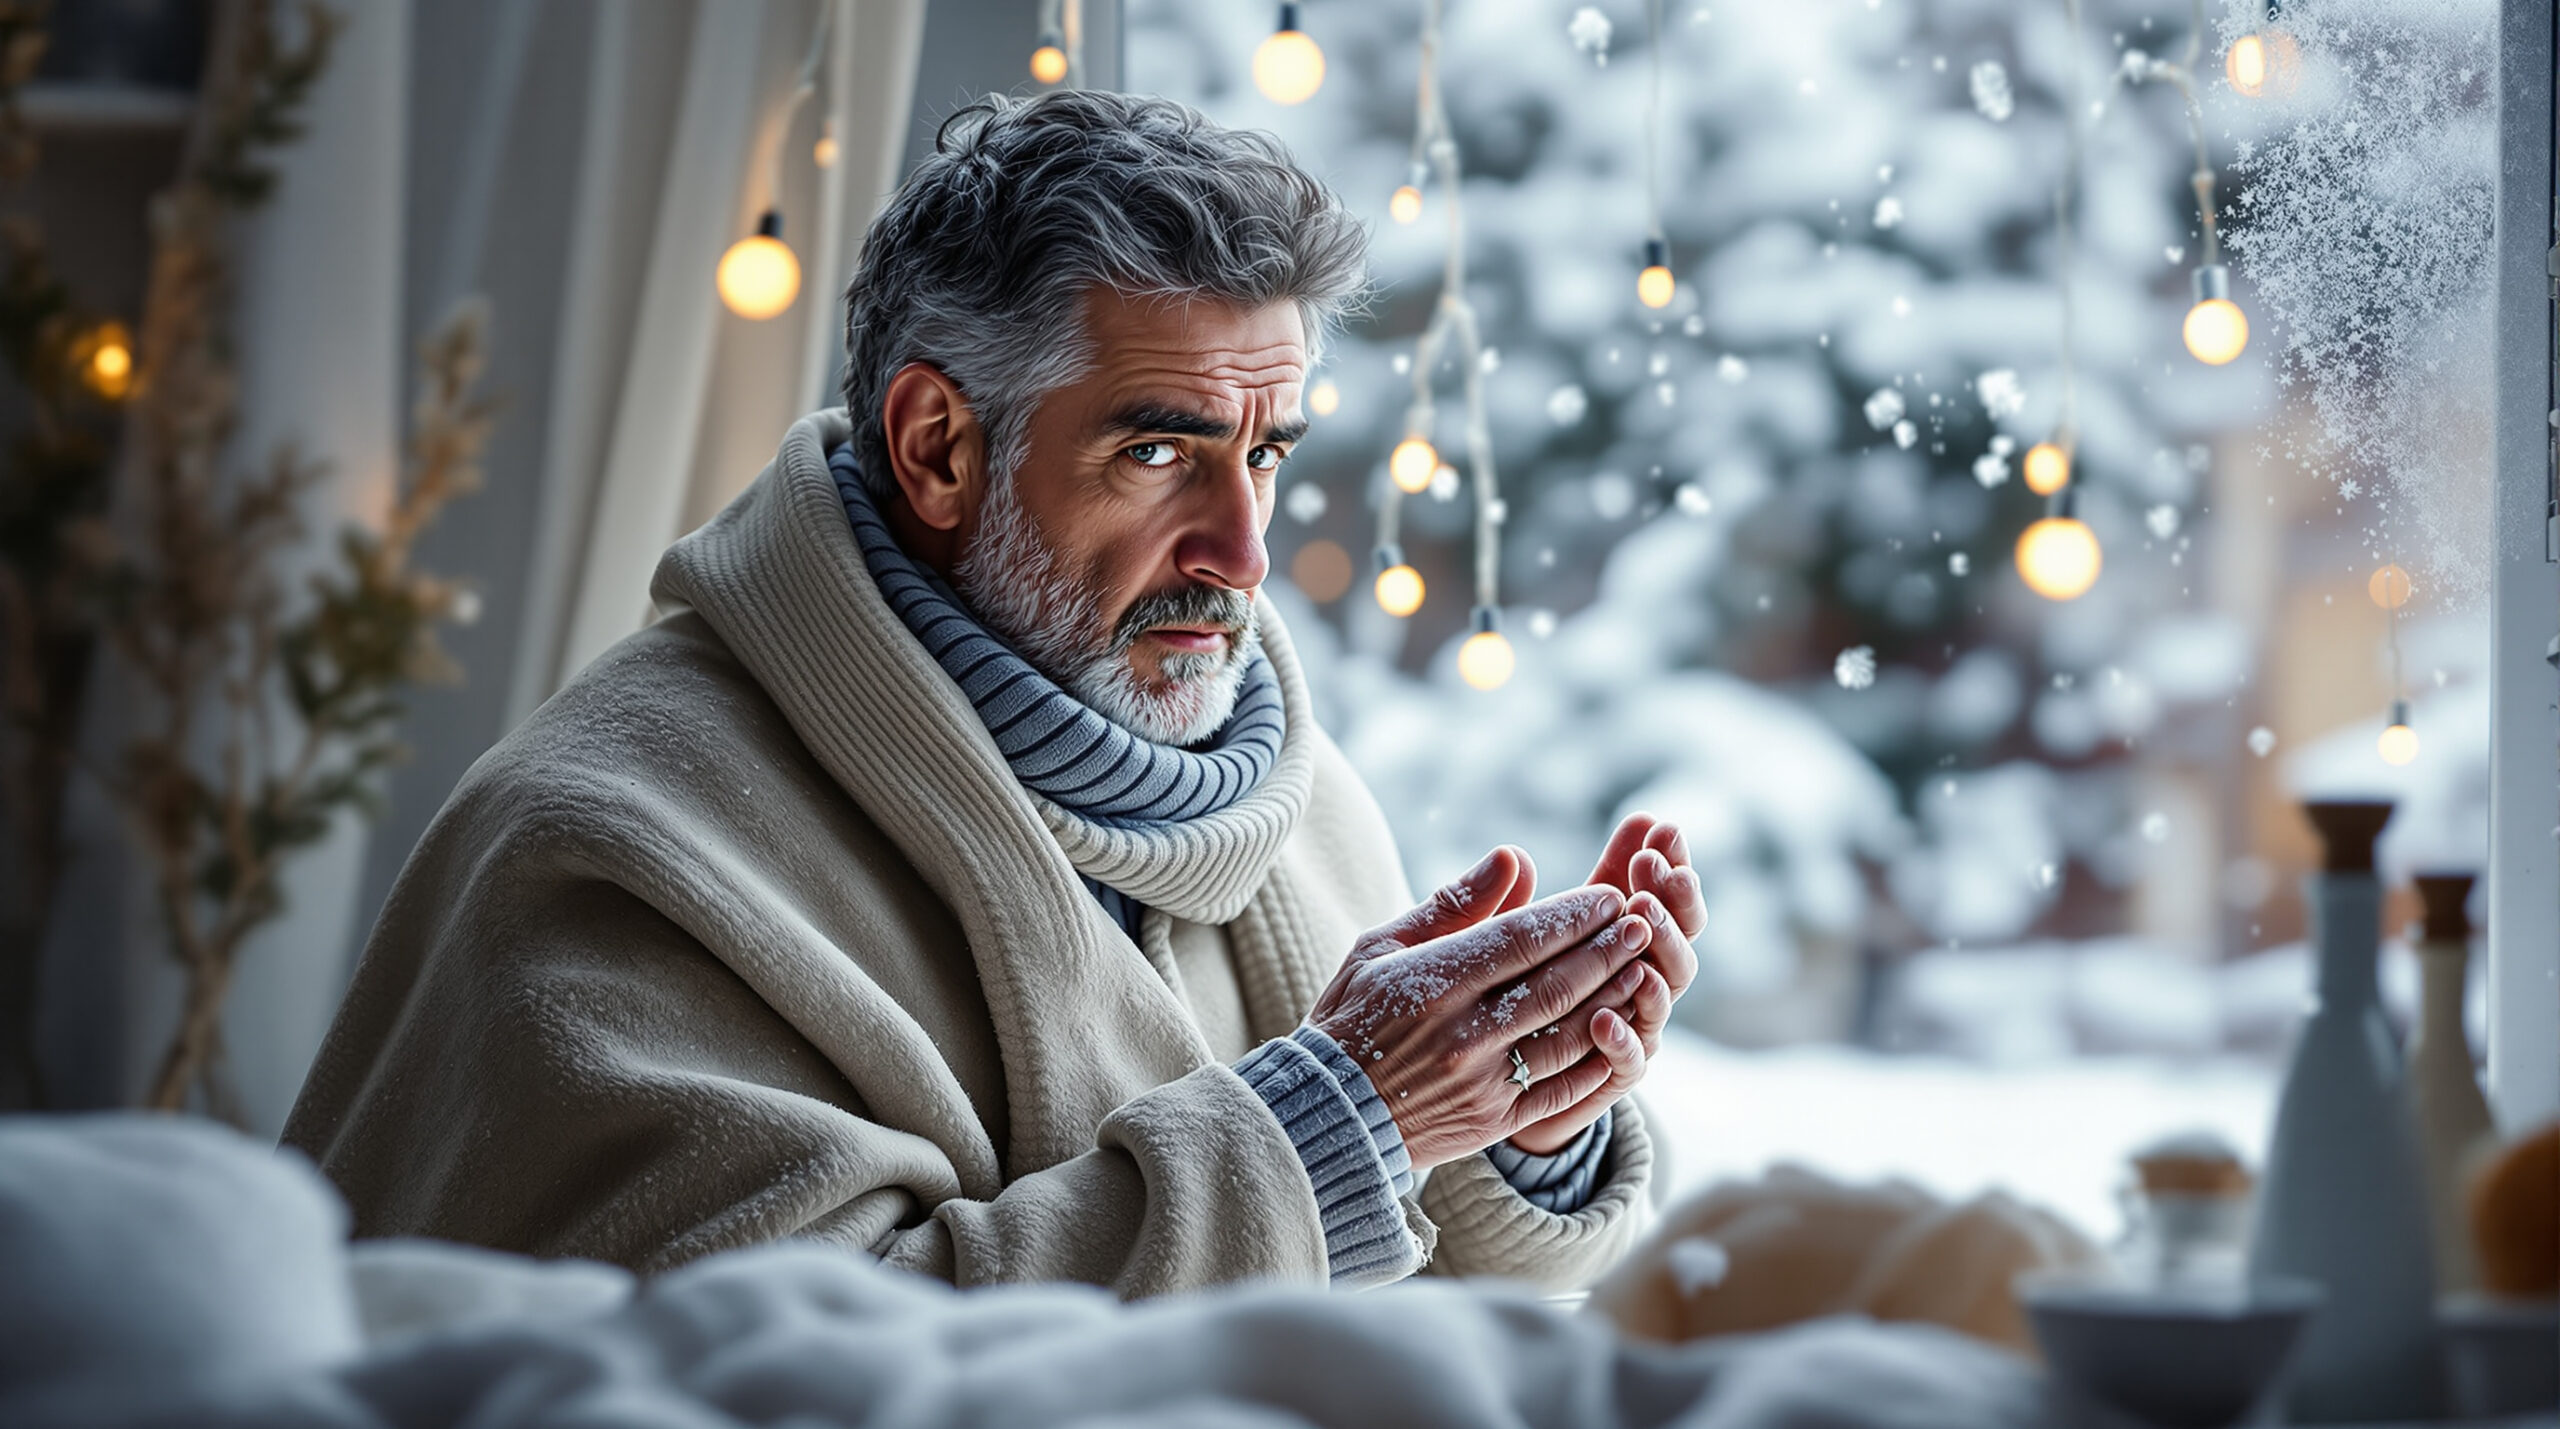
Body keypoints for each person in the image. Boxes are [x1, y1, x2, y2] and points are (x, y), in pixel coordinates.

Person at [283, 89, 1706, 1298]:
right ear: (938, 447)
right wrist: (1335, 1125)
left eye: (1265, 454)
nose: (1244, 552)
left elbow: (1411, 1324)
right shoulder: (615, 848)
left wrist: (1516, 1115)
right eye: (1160, 454)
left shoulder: (1298, 803)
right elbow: (758, 1374)